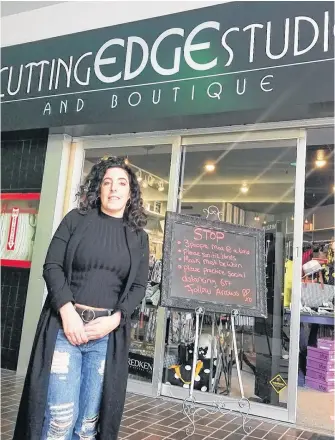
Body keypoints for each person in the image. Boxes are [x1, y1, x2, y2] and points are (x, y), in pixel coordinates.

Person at [13, 156, 149, 440]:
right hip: (66, 331)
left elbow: (138, 286)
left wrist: (116, 320)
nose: (113, 189)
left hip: (105, 338)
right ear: (97, 188)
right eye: (107, 182)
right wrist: (67, 311)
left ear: (130, 192)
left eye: (121, 183)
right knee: (59, 420)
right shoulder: (76, 220)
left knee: (88, 425)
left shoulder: (138, 236)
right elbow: (52, 265)